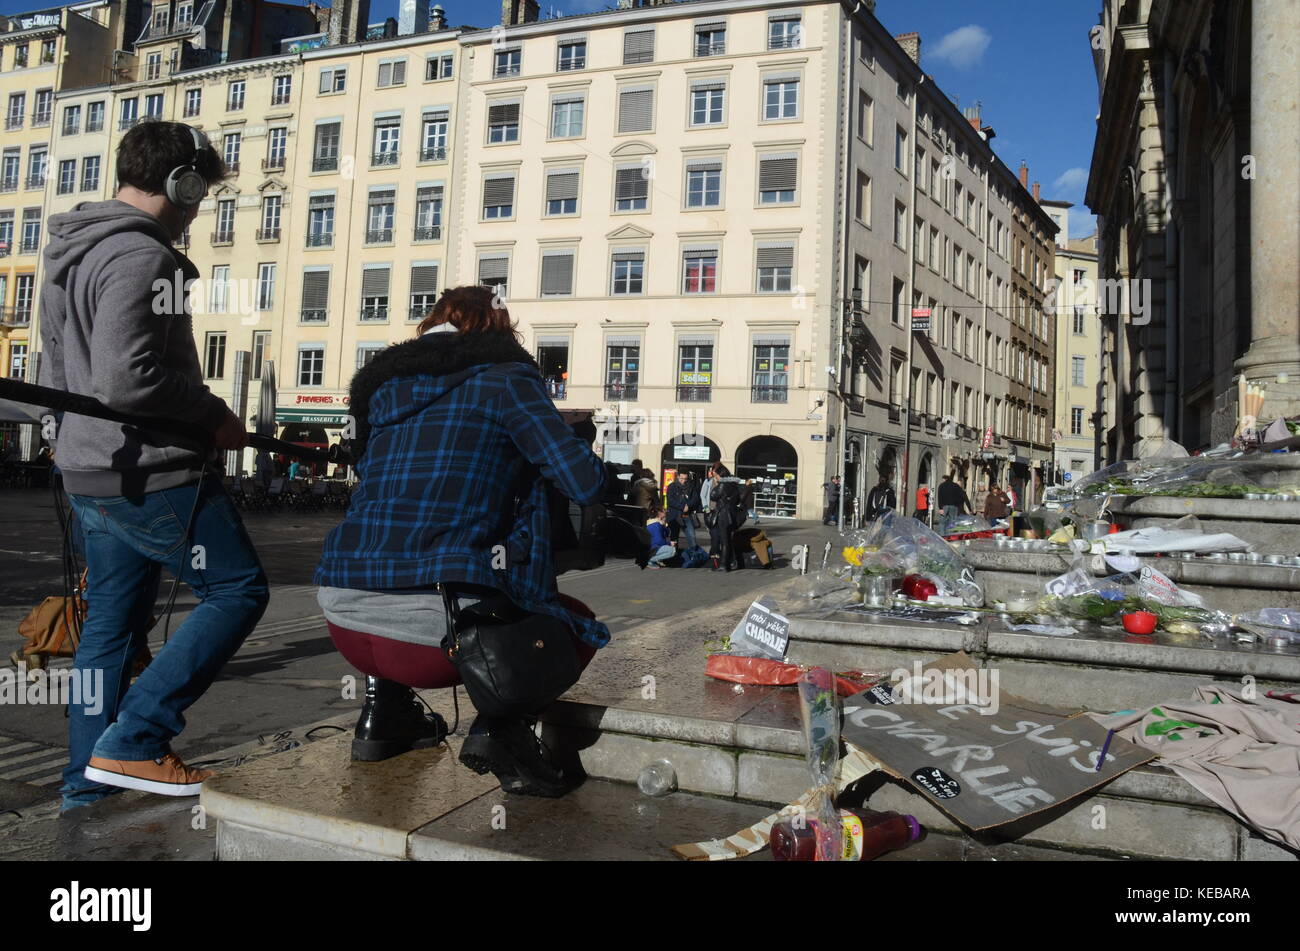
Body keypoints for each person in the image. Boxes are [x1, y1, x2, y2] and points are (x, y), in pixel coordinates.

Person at [38, 121, 267, 810]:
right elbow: (125, 379)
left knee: (109, 627)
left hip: (88, 469)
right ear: (182, 183)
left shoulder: (69, 251)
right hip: (152, 471)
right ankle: (136, 739)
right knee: (238, 590)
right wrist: (208, 414)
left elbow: (56, 363)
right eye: (202, 193)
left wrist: (60, 437)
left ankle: (87, 781)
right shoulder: (146, 258)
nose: (201, 210)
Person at [316, 286, 607, 798]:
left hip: (341, 615)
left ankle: (383, 719)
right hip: (436, 639)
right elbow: (583, 483)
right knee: (575, 624)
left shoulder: (384, 392)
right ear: (499, 331)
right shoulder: (509, 380)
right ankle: (500, 732)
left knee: (407, 548)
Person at [713, 465, 748, 571]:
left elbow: (713, 496)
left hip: (723, 515)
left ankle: (724, 565)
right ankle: (734, 562)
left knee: (725, 541)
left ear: (720, 475)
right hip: (732, 515)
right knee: (729, 539)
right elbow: (738, 500)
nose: (715, 478)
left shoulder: (722, 484)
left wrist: (716, 485)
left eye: (716, 475)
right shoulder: (733, 484)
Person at [666, 471, 697, 549]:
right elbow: (670, 501)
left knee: (692, 536)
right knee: (674, 538)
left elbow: (695, 499)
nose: (683, 481)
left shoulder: (691, 487)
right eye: (682, 478)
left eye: (685, 479)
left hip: (686, 515)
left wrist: (688, 505)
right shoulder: (672, 486)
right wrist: (682, 506)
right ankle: (673, 555)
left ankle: (694, 555)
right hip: (674, 516)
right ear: (678, 477)